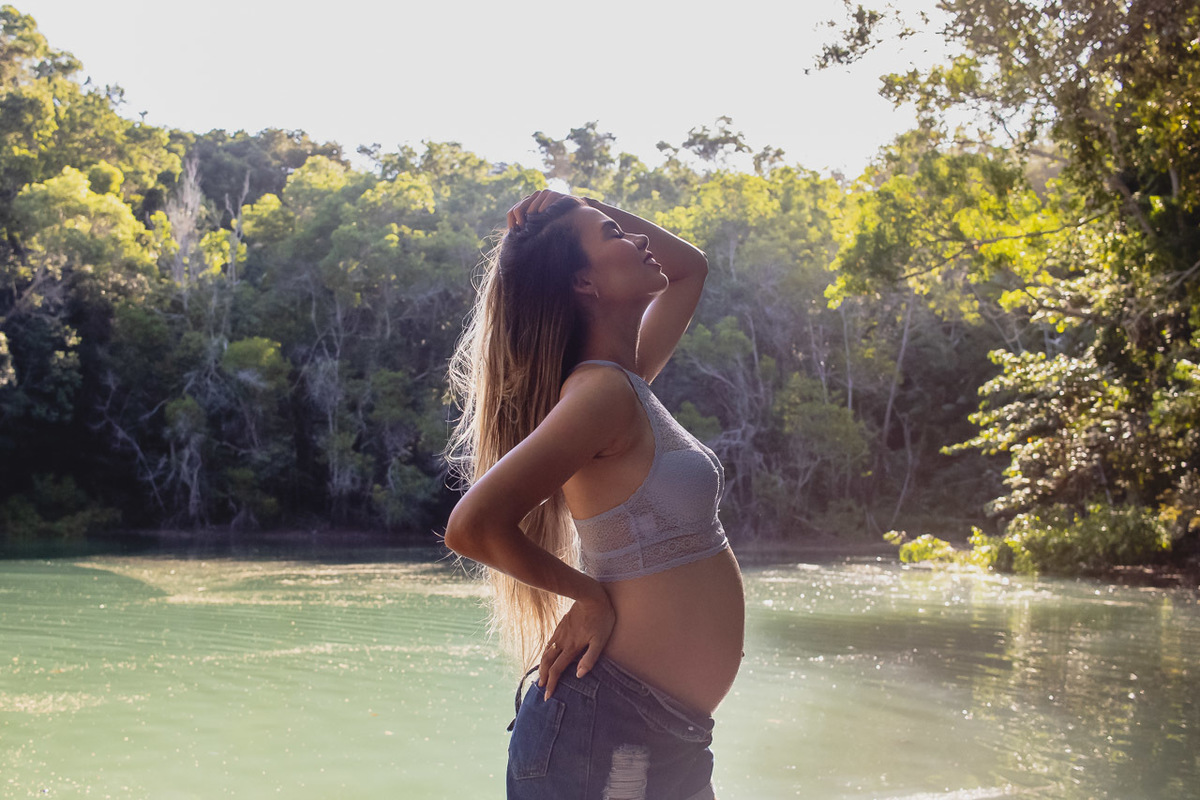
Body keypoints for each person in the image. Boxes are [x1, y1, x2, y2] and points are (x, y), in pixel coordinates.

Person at [443, 188, 745, 800]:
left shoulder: (627, 386)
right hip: (611, 731)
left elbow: (691, 267)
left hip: (668, 735)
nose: (637, 240)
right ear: (584, 282)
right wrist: (585, 594)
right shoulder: (599, 395)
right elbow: (471, 526)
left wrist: (578, 202)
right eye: (614, 235)